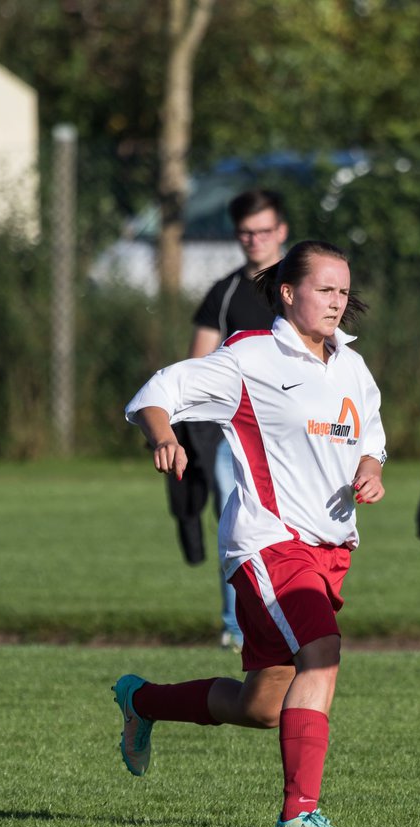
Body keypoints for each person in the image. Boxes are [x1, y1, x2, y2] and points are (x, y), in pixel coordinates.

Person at [116, 240, 386, 827]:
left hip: (330, 548)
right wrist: (166, 437)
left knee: (262, 707)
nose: (338, 301)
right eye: (325, 289)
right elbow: (157, 392)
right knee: (323, 654)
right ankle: (301, 813)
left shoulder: (351, 364)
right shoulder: (251, 357)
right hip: (269, 542)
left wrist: (371, 468)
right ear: (289, 293)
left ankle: (142, 701)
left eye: (344, 291)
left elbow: (370, 432)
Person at [174, 189, 288, 654]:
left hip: (294, 433)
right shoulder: (224, 294)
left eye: (264, 230)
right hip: (236, 436)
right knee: (239, 522)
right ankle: (236, 626)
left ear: (281, 230)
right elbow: (196, 365)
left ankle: (292, 616)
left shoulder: (300, 286)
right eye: (246, 232)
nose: (255, 240)